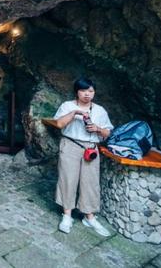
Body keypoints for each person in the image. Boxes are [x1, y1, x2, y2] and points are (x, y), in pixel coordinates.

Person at [53, 78, 113, 237]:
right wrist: (75, 113)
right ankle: (67, 215)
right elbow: (58, 124)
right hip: (71, 145)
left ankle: (89, 217)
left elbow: (108, 132)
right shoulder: (67, 106)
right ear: (77, 92)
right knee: (68, 179)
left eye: (91, 91)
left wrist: (98, 129)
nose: (87, 94)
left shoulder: (100, 110)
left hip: (91, 148)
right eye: (84, 91)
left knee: (90, 182)